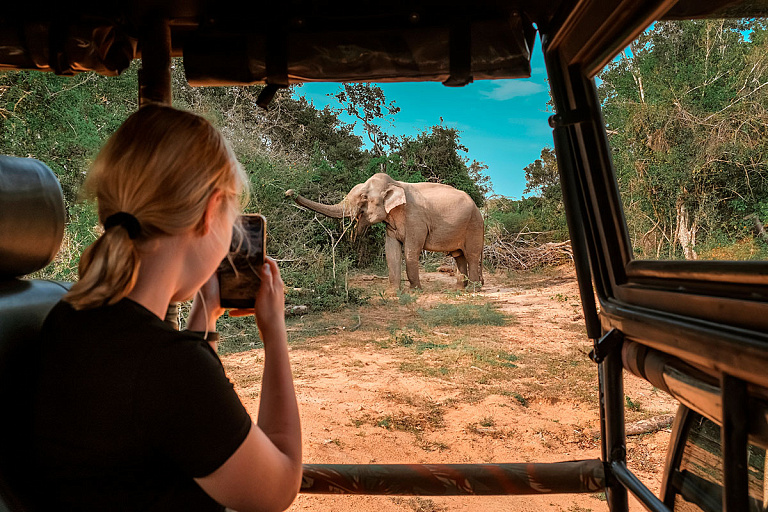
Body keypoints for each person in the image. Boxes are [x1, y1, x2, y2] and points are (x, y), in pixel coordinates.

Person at [31, 104, 302, 511]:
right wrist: (275, 332)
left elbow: (169, 414)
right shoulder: (168, 367)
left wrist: (205, 315)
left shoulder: (67, 317)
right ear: (209, 213)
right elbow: (278, 485)